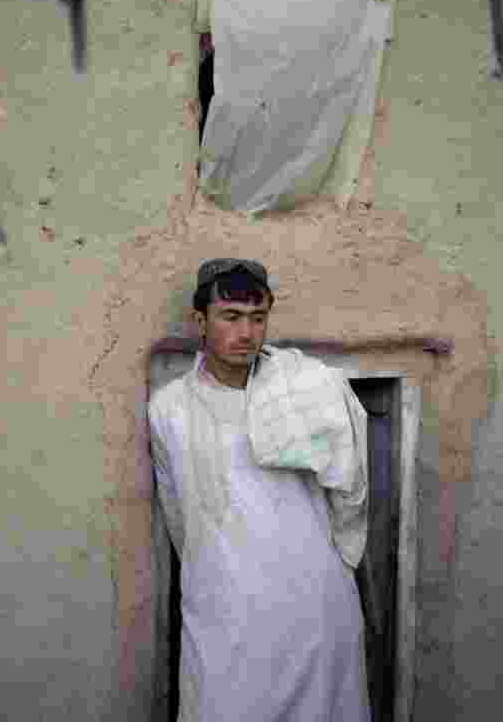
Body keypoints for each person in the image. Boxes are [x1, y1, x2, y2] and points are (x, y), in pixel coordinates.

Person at [148, 258, 372, 722]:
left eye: (257, 317)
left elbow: (351, 491)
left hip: (314, 606)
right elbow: (179, 518)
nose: (246, 332)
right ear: (200, 321)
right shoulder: (169, 409)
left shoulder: (311, 389)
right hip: (225, 608)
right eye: (230, 316)